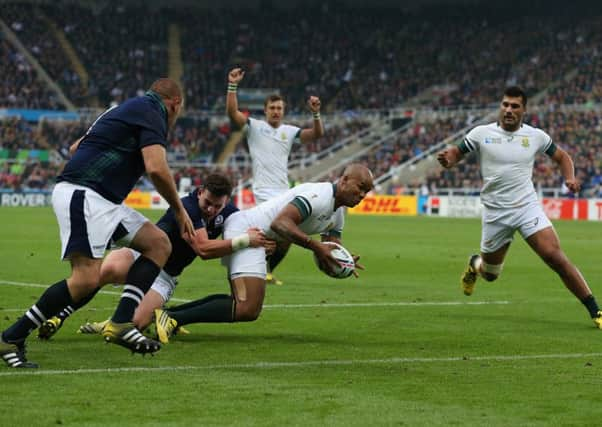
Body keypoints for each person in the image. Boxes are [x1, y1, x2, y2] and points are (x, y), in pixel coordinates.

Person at [0, 78, 196, 368]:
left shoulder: (119, 110)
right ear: (175, 103)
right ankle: (10, 338)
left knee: (158, 243)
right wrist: (179, 210)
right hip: (86, 196)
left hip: (103, 200)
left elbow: (74, 147)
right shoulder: (154, 113)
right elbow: (156, 168)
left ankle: (120, 323)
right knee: (85, 279)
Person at [436, 86, 602, 328]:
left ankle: (595, 310)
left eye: (514, 106)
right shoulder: (481, 133)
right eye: (505, 105)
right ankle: (475, 265)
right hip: (495, 213)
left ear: (524, 109)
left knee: (554, 256)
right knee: (491, 275)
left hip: (527, 208)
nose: (508, 110)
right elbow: (457, 152)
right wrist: (449, 159)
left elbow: (562, 157)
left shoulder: (536, 136)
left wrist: (569, 178)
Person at [152, 163, 374, 343]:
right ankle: (171, 317)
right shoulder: (319, 195)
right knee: (247, 307)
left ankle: (172, 316)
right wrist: (316, 246)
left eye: (367, 191)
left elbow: (329, 251)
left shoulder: (338, 215)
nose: (362, 194)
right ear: (344, 180)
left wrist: (342, 262)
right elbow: (281, 223)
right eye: (360, 187)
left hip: (258, 238)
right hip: (247, 231)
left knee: (243, 304)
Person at [36, 173, 273, 339]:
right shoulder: (188, 205)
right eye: (207, 202)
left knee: (137, 322)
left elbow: (248, 227)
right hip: (143, 255)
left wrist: (262, 244)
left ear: (226, 202)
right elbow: (202, 249)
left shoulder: (229, 213)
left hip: (166, 276)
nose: (210, 209)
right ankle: (59, 316)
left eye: (217, 206)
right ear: (200, 192)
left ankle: (110, 323)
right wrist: (245, 241)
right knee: (106, 271)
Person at [226, 67, 324, 285]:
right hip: (263, 191)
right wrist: (232, 85)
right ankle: (250, 268)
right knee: (277, 232)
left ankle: (265, 269)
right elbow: (233, 113)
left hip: (284, 190)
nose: (276, 111)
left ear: (284, 110)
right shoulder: (254, 127)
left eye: (279, 108)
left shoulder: (289, 131)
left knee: (286, 237)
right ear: (265, 110)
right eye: (272, 107)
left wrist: (316, 113)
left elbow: (317, 134)